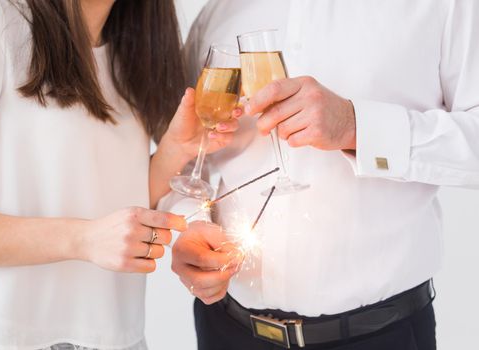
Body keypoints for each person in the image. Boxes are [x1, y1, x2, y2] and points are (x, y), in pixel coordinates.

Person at [166, 0, 479, 349]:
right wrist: (189, 222)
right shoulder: (221, 9)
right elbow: (187, 147)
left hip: (377, 337)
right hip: (225, 329)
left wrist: (355, 126)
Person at [0, 0, 240, 349]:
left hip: (118, 337)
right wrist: (82, 239)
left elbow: (111, 203)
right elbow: (95, 236)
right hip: (4, 340)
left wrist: (173, 152)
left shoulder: (135, 45)